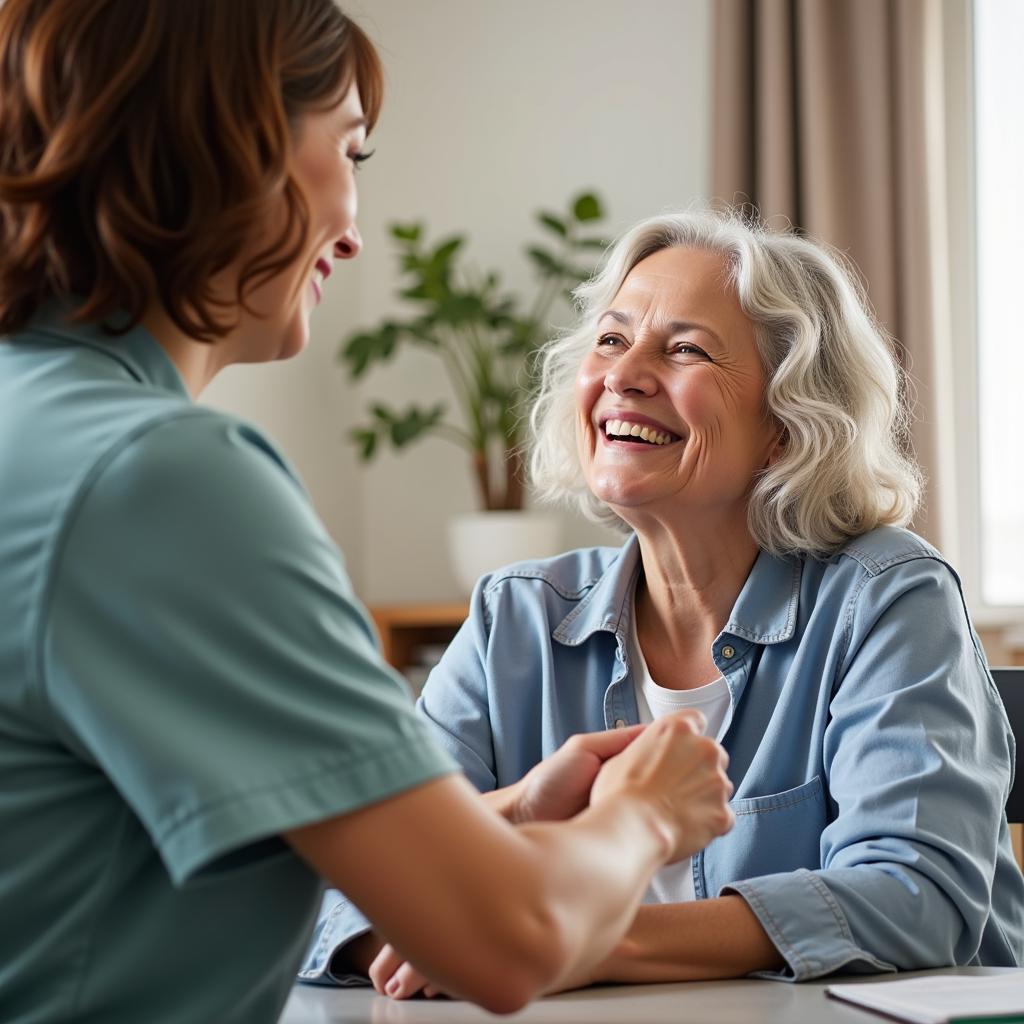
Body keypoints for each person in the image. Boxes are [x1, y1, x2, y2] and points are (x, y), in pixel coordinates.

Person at [0, 4, 736, 1022]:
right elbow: (506, 937)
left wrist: (514, 808)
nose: (352, 226)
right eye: (348, 150)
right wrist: (647, 815)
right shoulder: (161, 481)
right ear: (231, 143)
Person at [306, 209, 1024, 997]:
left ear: (787, 425)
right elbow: (342, 884)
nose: (623, 374)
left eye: (684, 350)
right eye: (611, 340)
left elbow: (916, 898)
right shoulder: (514, 617)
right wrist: (429, 927)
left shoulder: (888, 597)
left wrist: (558, 937)